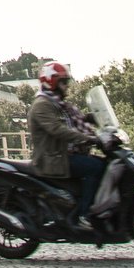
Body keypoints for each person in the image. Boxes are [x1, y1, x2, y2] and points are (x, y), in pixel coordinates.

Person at [28, 60, 105, 232]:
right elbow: (57, 129)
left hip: (64, 154)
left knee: (105, 164)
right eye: (63, 83)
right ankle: (83, 215)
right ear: (52, 82)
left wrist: (89, 119)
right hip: (53, 158)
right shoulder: (42, 105)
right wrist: (88, 138)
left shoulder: (57, 103)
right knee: (96, 167)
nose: (66, 87)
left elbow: (69, 122)